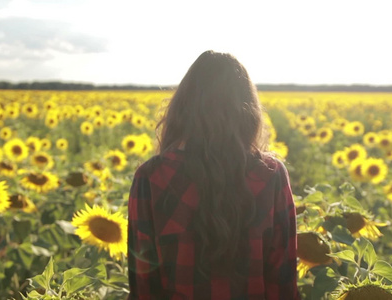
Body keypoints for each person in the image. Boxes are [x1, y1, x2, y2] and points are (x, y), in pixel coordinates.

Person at [127, 50, 300, 299]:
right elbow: (282, 280)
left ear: (183, 106)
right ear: (247, 110)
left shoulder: (151, 177)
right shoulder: (270, 176)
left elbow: (143, 284)